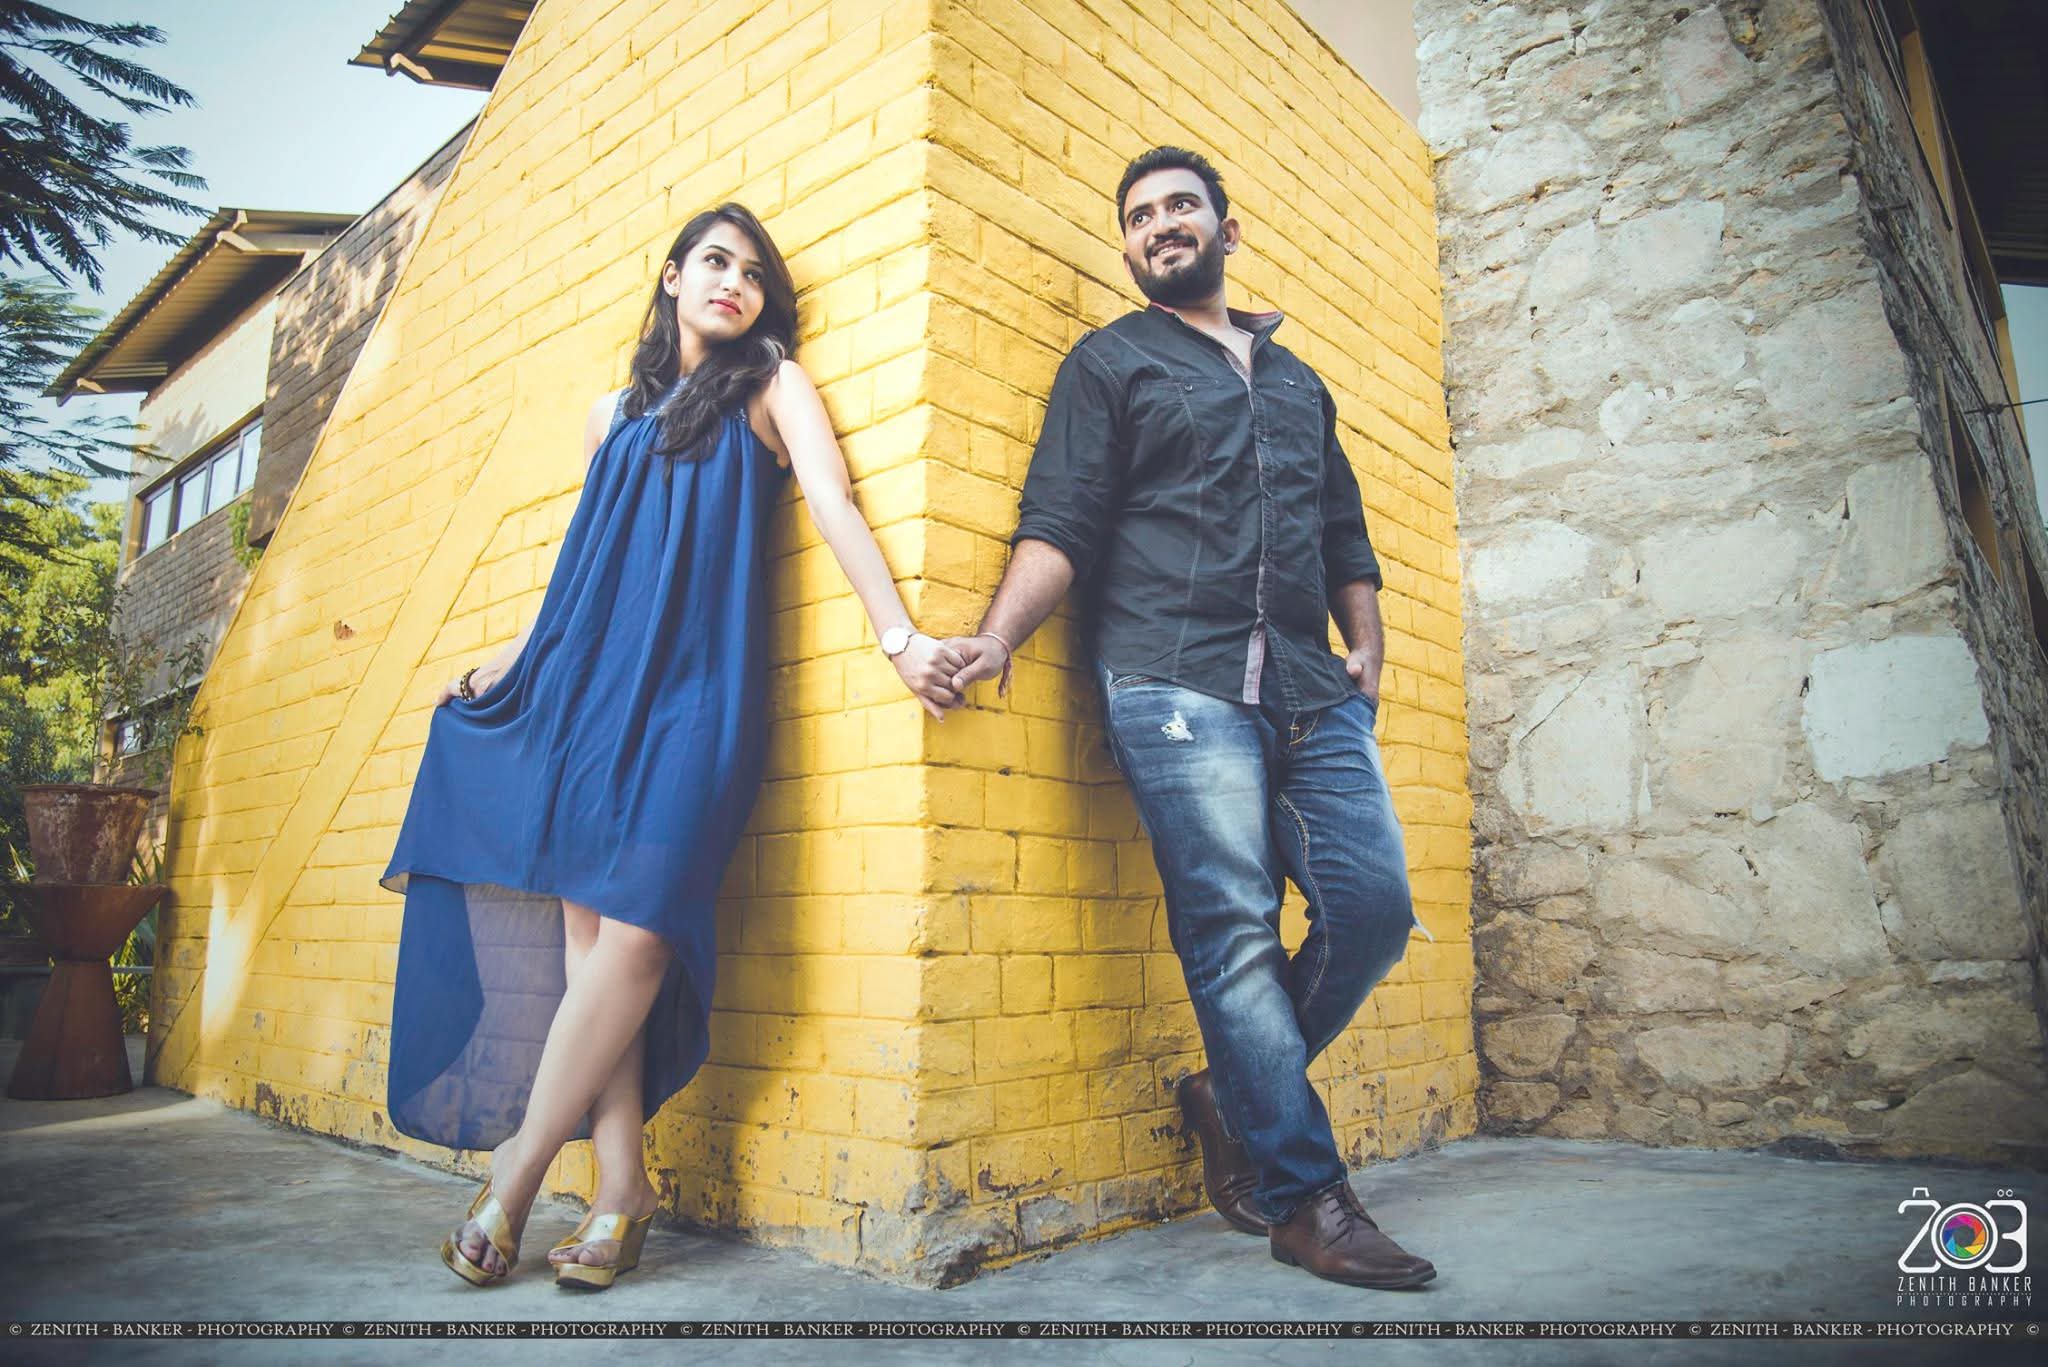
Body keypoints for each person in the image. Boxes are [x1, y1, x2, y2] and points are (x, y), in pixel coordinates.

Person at [379, 204, 963, 1290]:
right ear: (670, 278)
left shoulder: (769, 387)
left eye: (752, 273)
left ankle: (511, 1178)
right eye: (713, 262)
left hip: (699, 702)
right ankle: (619, 1190)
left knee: (638, 944)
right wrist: (511, 658)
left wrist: (899, 636)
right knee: (591, 952)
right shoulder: (615, 411)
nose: (733, 283)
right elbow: (580, 567)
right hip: (588, 699)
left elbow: (834, 505)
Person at [941, 148, 1438, 1290]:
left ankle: (1228, 1093)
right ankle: (1303, 1194)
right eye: (1138, 216)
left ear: (1226, 227)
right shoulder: (1109, 361)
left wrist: (1365, 642)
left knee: (1373, 908)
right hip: (1170, 677)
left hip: (1310, 688)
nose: (1159, 224)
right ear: (1127, 248)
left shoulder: (1298, 381)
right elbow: (1059, 518)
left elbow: (1341, 529)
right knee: (1232, 930)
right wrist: (997, 637)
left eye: (1179, 206)